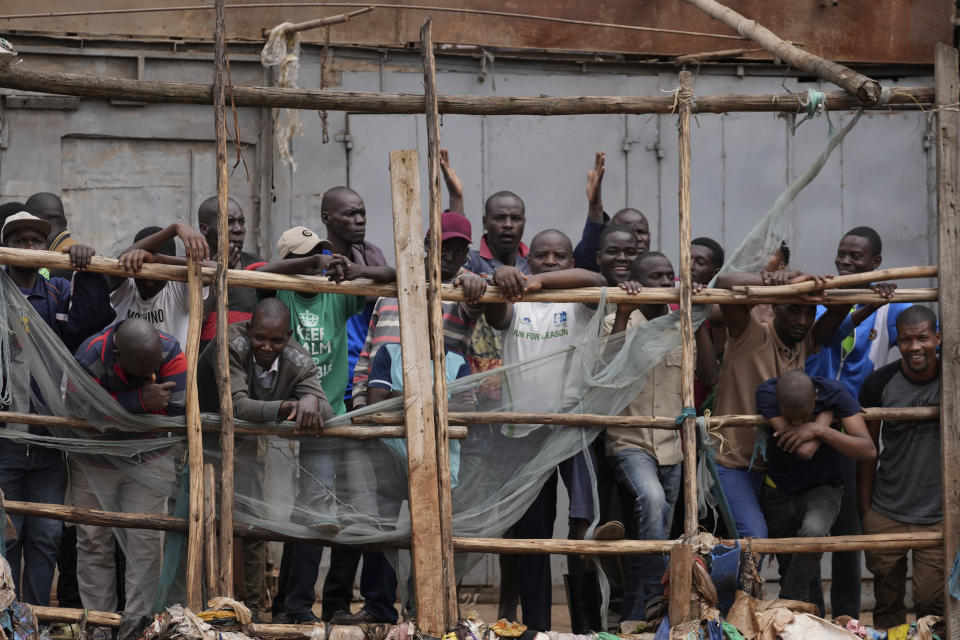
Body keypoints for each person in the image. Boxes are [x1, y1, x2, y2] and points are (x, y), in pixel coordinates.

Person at [335, 211, 490, 625]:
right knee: (381, 518)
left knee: (433, 518)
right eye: (445, 246)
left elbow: (480, 300)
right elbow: (370, 350)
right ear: (426, 245)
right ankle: (379, 606)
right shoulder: (392, 290)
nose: (452, 255)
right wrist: (361, 406)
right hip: (384, 421)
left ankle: (428, 606)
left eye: (460, 248)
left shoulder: (460, 292)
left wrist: (474, 282)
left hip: (434, 428)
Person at [485, 229, 607, 632]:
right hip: (525, 434)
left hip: (573, 427)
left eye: (560, 256)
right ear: (527, 258)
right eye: (541, 256)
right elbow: (494, 316)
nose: (551, 261)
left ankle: (585, 626)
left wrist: (537, 281)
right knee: (532, 534)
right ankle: (536, 625)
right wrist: (506, 280)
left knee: (582, 527)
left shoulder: (577, 303)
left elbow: (597, 281)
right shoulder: (515, 302)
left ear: (571, 261)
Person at [271, 224, 395, 624]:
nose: (318, 263)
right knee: (317, 511)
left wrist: (351, 271)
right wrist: (308, 264)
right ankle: (298, 606)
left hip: (340, 412)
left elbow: (392, 276)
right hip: (304, 416)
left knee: (356, 508)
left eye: (321, 255)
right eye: (309, 256)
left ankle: (336, 603)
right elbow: (263, 269)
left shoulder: (336, 296)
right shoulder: (281, 295)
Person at [0, 211, 114, 607]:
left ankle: (34, 620)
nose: (29, 248)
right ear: (6, 249)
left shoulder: (56, 293)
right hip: (6, 440)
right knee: (7, 536)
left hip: (48, 439)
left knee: (47, 537)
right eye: (20, 241)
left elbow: (90, 320)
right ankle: (8, 619)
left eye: (36, 242)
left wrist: (88, 268)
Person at [198, 298, 333, 619]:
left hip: (245, 443)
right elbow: (237, 405)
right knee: (202, 521)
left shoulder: (298, 358)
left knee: (251, 523)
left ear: (288, 336)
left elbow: (325, 408)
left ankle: (252, 610)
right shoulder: (230, 343)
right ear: (249, 329)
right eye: (260, 337)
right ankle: (203, 603)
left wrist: (311, 399)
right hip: (201, 439)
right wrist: (289, 406)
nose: (267, 347)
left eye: (276, 340)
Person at [603, 251, 717, 622]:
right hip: (631, 440)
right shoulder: (616, 320)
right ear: (636, 280)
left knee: (653, 532)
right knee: (652, 503)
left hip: (672, 446)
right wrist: (623, 309)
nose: (665, 283)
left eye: (670, 276)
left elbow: (711, 374)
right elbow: (605, 372)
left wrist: (695, 312)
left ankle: (633, 618)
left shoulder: (680, 324)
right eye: (654, 277)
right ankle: (653, 601)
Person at [805, 225, 905, 618]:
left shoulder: (888, 304)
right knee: (808, 526)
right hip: (812, 421)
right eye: (841, 254)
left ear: (875, 263)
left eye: (856, 257)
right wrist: (862, 302)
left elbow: (922, 336)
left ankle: (847, 614)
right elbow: (827, 335)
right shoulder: (820, 298)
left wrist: (879, 301)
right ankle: (808, 610)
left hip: (855, 429)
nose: (845, 262)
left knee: (848, 527)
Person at [711, 268, 847, 540]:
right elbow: (724, 282)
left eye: (810, 312)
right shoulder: (749, 333)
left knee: (781, 543)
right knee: (755, 539)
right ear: (774, 307)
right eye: (794, 310)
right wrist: (780, 283)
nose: (803, 320)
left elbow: (841, 308)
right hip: (731, 462)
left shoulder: (804, 341)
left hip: (773, 471)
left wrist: (817, 284)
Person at [72, 318, 187, 615]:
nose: (150, 374)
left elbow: (174, 411)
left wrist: (112, 409)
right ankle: (98, 626)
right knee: (93, 543)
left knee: (144, 544)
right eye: (140, 372)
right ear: (118, 356)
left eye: (153, 368)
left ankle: (137, 627)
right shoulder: (90, 355)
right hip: (94, 461)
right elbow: (81, 411)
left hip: (149, 459)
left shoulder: (171, 352)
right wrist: (139, 401)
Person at [754, 370, 875, 605]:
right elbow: (804, 450)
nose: (798, 424)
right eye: (791, 419)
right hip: (779, 491)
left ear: (815, 397)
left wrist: (820, 429)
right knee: (791, 567)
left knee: (814, 532)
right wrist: (826, 415)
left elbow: (868, 450)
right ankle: (799, 621)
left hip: (823, 487)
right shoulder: (767, 394)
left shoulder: (834, 392)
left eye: (804, 416)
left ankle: (786, 602)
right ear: (778, 403)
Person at [858, 305, 943, 628]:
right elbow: (868, 451)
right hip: (887, 508)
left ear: (937, 337)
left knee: (931, 601)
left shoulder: (952, 379)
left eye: (923, 338)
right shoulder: (879, 384)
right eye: (907, 340)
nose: (915, 346)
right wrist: (865, 507)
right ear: (898, 342)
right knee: (887, 599)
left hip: (936, 513)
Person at [108, 223, 212, 348]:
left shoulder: (178, 286)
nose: (150, 283)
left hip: (172, 367)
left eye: (158, 276)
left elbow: (216, 270)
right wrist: (173, 229)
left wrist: (158, 260)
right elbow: (116, 268)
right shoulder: (125, 287)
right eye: (143, 275)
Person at [197, 196, 265, 347]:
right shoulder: (193, 269)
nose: (238, 229)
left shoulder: (257, 265)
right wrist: (220, 274)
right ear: (204, 228)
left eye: (242, 222)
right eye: (229, 222)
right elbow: (194, 323)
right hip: (204, 365)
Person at [571, 152, 651, 272]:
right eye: (626, 231)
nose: (637, 238)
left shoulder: (661, 274)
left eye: (642, 232)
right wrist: (595, 205)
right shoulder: (597, 275)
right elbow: (589, 255)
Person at [690, 237, 724, 410]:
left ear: (714, 272)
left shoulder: (716, 309)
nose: (690, 265)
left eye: (700, 262)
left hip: (698, 395)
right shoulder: (666, 293)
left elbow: (712, 369)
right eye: (687, 258)